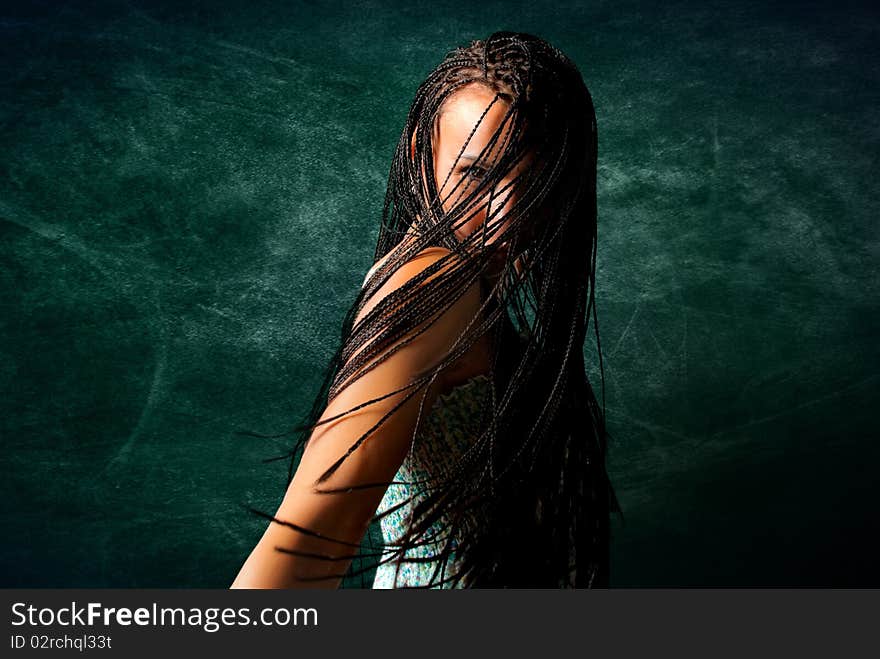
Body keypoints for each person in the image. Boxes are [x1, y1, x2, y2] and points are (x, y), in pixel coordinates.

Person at [231, 31, 621, 589]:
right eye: (478, 176)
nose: (507, 216)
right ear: (421, 152)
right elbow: (307, 539)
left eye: (538, 182)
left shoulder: (481, 285)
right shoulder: (428, 286)